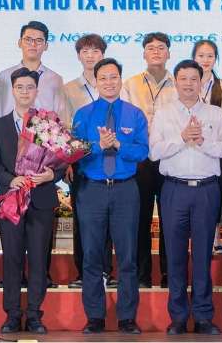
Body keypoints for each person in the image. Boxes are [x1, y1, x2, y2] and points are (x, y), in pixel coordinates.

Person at [150, 60, 222, 336]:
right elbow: (154, 152)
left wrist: (203, 142)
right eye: (183, 78)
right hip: (174, 189)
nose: (188, 83)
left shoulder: (215, 114)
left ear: (202, 82)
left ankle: (203, 316)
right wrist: (182, 137)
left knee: (202, 256)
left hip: (206, 191)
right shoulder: (163, 114)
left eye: (193, 79)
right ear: (175, 82)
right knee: (174, 256)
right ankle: (177, 318)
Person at [73, 58, 149, 335]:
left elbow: (143, 152)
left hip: (125, 189)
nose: (108, 82)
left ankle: (127, 317)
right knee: (92, 255)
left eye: (113, 77)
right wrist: (97, 146)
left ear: (121, 79)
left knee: (127, 256)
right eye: (103, 78)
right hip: (91, 190)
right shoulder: (83, 114)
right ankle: (94, 317)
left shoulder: (134, 114)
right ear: (95, 81)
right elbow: (73, 151)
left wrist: (117, 144)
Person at [0, 68, 63, 335]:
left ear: (37, 91)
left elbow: (61, 160)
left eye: (30, 87)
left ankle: (34, 315)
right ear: (13, 90)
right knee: (12, 258)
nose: (25, 92)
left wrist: (52, 174)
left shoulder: (48, 123)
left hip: (41, 199)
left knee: (39, 259)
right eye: (20, 87)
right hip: (11, 199)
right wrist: (11, 179)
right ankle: (11, 315)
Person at [121, 32, 176, 288]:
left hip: (169, 158)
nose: (156, 52)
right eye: (151, 48)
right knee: (139, 218)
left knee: (170, 220)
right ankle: (141, 276)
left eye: (161, 47)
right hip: (140, 159)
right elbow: (124, 121)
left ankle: (169, 275)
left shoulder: (179, 83)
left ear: (168, 53)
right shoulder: (130, 84)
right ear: (143, 53)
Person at [62, 34, 114, 288]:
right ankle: (84, 273)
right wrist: (68, 162)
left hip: (112, 162)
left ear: (103, 54)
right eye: (85, 51)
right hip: (82, 163)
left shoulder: (115, 85)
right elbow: (64, 129)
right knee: (82, 220)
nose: (90, 55)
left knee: (109, 220)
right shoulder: (69, 89)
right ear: (78, 55)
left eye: (95, 51)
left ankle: (106, 270)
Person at [192, 39, 222, 255]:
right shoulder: (186, 83)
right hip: (192, 146)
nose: (205, 60)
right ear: (194, 58)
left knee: (217, 192)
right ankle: (197, 237)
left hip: (218, 149)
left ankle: (216, 237)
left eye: (210, 56)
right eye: (201, 56)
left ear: (216, 59)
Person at [0, 20, 65, 118]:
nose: (33, 44)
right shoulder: (4, 76)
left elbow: (60, 116)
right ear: (19, 43)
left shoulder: (55, 79)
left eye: (39, 40)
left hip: (44, 128)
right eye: (28, 39)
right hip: (9, 127)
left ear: (46, 46)